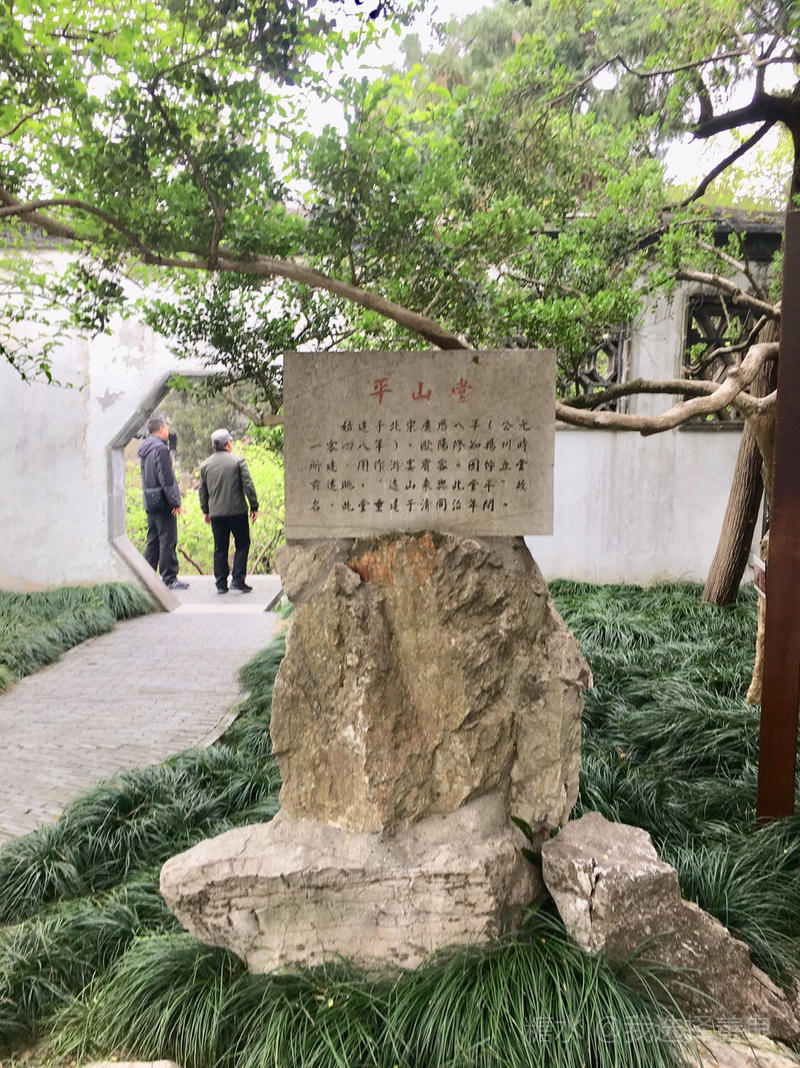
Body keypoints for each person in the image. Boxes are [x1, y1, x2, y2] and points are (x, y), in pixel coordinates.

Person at [199, 428, 259, 594]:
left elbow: (202, 491)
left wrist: (206, 511)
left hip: (216, 514)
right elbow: (248, 485)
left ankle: (220, 584)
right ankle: (238, 580)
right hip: (237, 512)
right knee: (242, 543)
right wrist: (254, 506)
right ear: (228, 444)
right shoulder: (237, 461)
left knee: (220, 547)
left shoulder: (205, 465)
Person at [137, 416, 189, 590]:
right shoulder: (161, 449)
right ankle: (169, 578)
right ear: (161, 429)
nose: (168, 431)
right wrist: (175, 502)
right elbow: (166, 478)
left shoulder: (145, 449)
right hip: (163, 502)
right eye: (166, 428)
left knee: (152, 541)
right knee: (168, 539)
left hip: (150, 500)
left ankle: (147, 577)